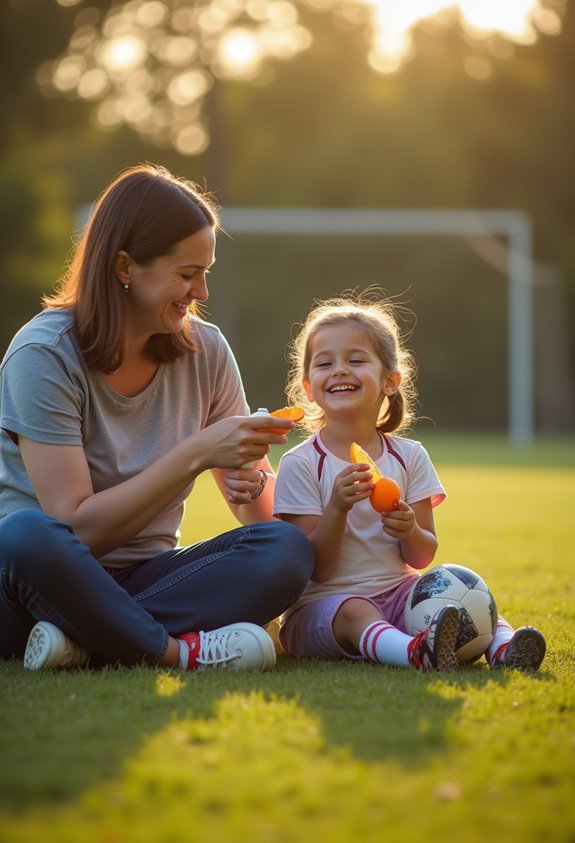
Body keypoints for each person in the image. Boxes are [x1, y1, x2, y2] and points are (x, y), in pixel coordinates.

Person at [0, 163, 314, 672]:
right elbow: (75, 530)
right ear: (124, 267)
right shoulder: (43, 355)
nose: (202, 292)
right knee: (25, 534)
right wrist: (195, 455)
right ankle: (172, 651)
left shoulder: (206, 351)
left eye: (205, 273)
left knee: (284, 550)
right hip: (35, 584)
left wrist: (252, 481)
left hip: (147, 578)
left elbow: (260, 517)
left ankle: (85, 640)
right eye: (187, 274)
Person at [272, 292, 546, 671]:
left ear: (390, 381)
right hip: (325, 608)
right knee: (355, 610)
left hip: (400, 594)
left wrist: (408, 528)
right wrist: (337, 507)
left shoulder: (410, 456)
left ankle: (504, 646)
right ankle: (413, 653)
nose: (338, 370)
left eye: (355, 359)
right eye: (324, 363)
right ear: (307, 386)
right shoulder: (300, 463)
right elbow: (316, 569)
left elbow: (421, 555)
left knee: (455, 582)